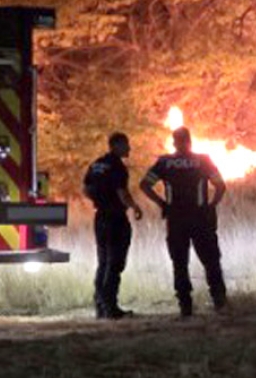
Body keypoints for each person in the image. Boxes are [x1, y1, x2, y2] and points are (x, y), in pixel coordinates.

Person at [139, 127, 228, 318]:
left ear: (174, 142)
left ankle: (185, 306)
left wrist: (162, 204)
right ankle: (219, 301)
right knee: (211, 260)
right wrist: (211, 205)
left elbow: (144, 185)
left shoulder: (165, 162)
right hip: (200, 218)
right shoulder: (203, 161)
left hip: (176, 219)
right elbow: (220, 186)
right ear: (190, 141)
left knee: (179, 263)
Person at [83, 132, 143, 319]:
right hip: (115, 218)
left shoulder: (96, 165)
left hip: (100, 217)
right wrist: (134, 206)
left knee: (103, 262)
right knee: (115, 263)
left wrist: (100, 200)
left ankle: (100, 306)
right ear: (116, 145)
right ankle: (111, 307)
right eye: (126, 144)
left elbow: (86, 189)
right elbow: (122, 193)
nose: (129, 148)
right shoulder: (117, 166)